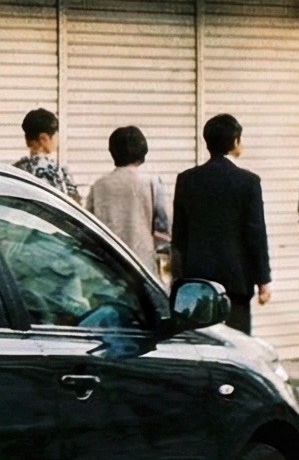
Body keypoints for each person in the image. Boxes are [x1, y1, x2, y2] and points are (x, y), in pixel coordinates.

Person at [171, 114, 271, 334]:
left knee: (201, 336)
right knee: (238, 338)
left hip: (198, 276)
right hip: (237, 278)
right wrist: (263, 280)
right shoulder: (248, 182)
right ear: (236, 141)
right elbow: (255, 233)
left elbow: (179, 233)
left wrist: (177, 276)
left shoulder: (187, 180)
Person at [85, 125, 169, 271]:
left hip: (108, 265)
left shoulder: (99, 185)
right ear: (143, 150)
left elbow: (89, 226)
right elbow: (163, 225)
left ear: (112, 152)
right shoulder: (152, 182)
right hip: (142, 263)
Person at [15, 107, 76, 198]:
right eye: (56, 134)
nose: (58, 139)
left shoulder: (16, 169)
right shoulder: (57, 172)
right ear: (43, 138)